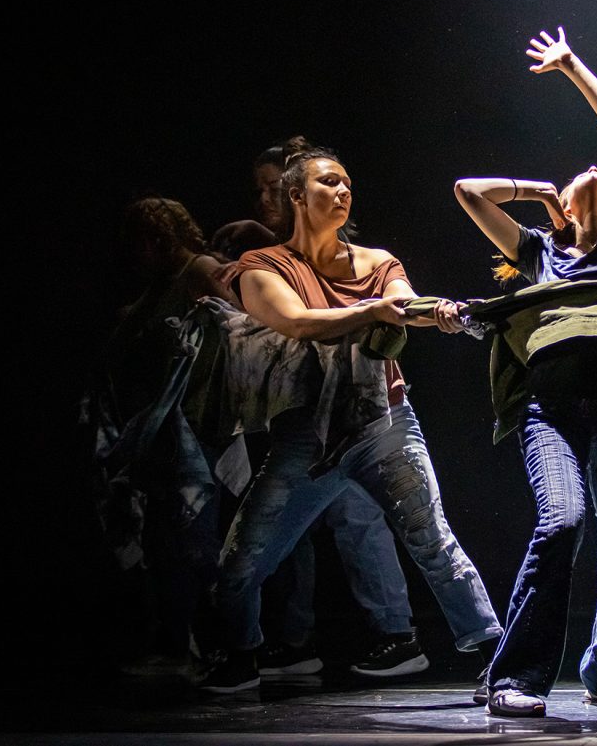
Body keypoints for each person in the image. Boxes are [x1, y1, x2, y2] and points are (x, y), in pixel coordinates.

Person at [199, 140, 502, 692]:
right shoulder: (262, 266)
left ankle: (496, 655)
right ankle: (239, 653)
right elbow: (296, 321)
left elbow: (403, 301)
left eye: (346, 185)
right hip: (304, 441)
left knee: (432, 539)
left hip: (383, 426)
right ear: (296, 195)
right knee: (240, 563)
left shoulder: (377, 261)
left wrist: (441, 312)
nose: (342, 192)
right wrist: (369, 310)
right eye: (328, 182)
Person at [454, 27, 597, 717]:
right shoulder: (542, 250)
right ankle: (515, 676)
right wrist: (538, 191)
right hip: (554, 411)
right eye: (584, 180)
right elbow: (467, 191)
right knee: (564, 520)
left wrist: (572, 64)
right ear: (570, 207)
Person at [212, 139, 427, 682]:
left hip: (358, 414)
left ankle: (395, 634)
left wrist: (398, 309)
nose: (263, 198)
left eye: (270, 187)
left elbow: (374, 309)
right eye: (259, 189)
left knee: (362, 520)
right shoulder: (263, 256)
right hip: (304, 417)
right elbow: (282, 321)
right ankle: (291, 639)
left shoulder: (349, 257)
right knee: (291, 533)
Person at [94, 196, 239, 672]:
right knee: (166, 540)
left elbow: (241, 325)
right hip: (171, 432)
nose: (132, 256)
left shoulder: (199, 271)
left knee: (196, 537)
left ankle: (222, 644)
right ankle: (180, 642)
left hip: (201, 424)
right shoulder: (159, 287)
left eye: (137, 244)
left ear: (158, 239)